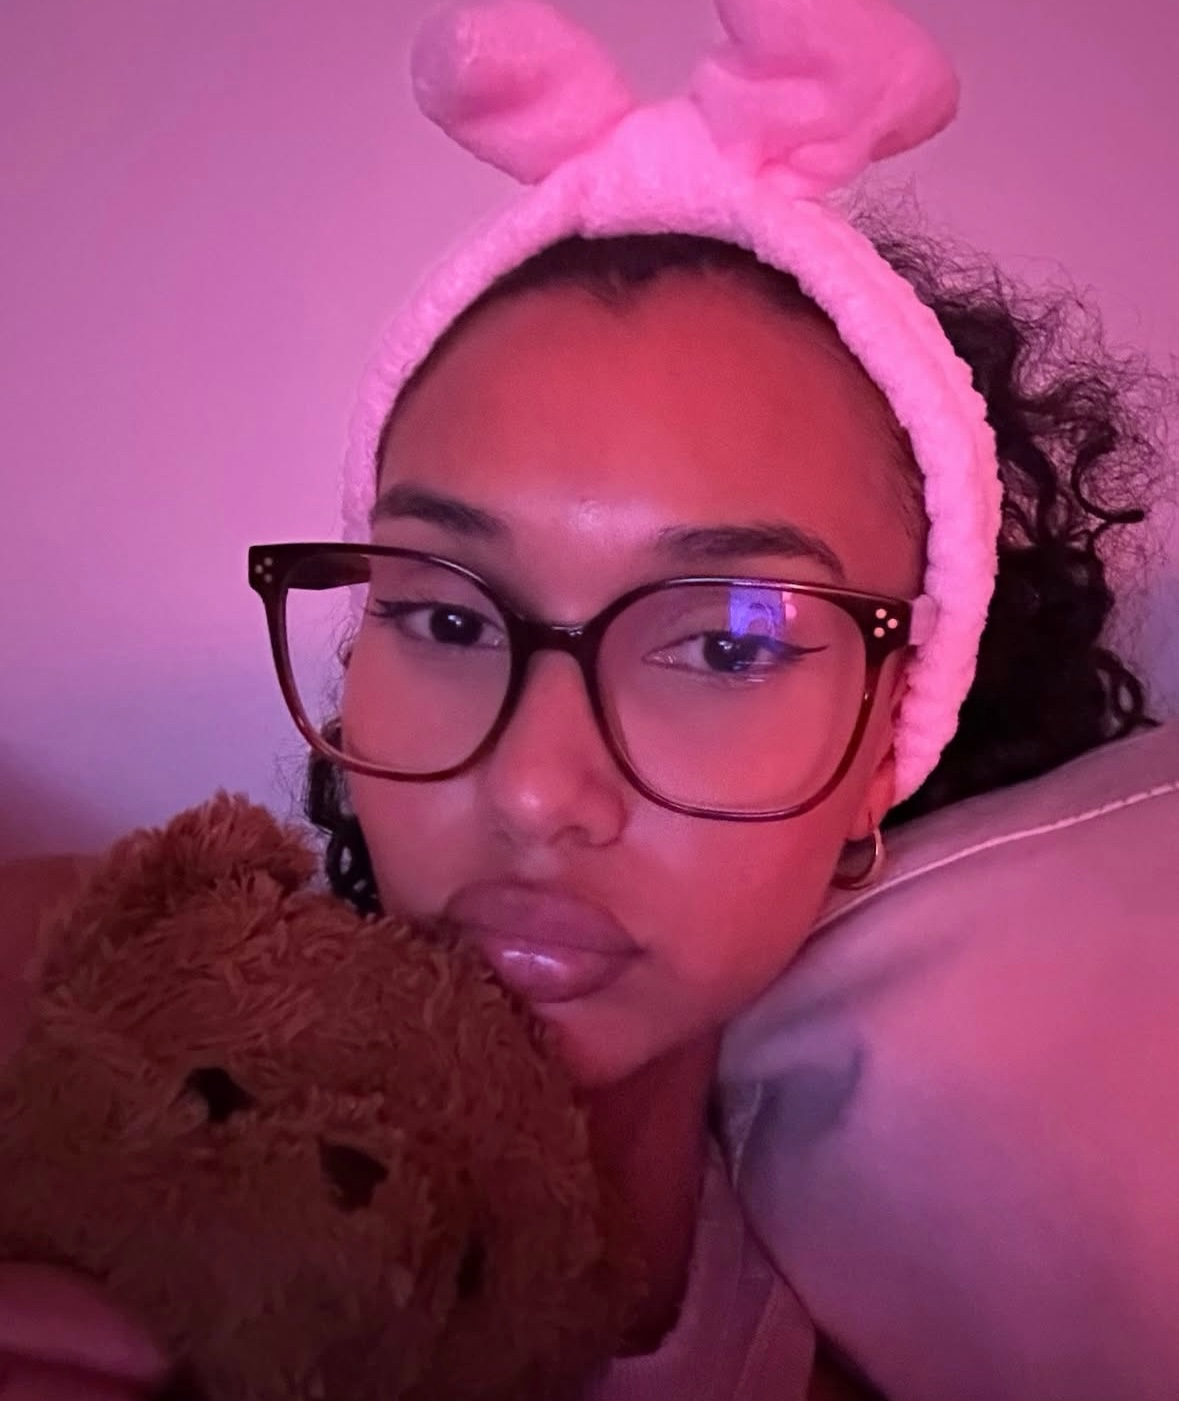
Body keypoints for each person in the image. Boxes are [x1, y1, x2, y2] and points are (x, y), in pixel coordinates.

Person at [0, 0, 1164, 1397]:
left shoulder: (949, 1306)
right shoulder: (118, 1064)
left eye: (726, 644)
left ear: (889, 734)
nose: (537, 789)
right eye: (446, 616)